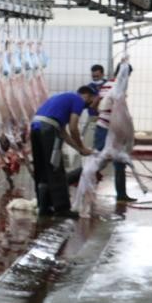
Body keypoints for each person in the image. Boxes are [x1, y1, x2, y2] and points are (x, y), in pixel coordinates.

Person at [30, 85, 98, 218]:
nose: (88, 105)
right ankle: (62, 209)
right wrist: (83, 147)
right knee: (56, 169)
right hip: (48, 130)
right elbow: (73, 128)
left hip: (35, 129)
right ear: (87, 95)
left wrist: (79, 149)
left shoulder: (62, 99)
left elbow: (63, 133)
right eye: (91, 100)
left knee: (42, 170)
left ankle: (44, 207)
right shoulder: (78, 100)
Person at [94, 65, 136, 203]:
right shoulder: (114, 86)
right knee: (99, 160)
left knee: (116, 161)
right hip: (106, 128)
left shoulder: (110, 85)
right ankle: (78, 182)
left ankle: (121, 194)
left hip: (110, 128)